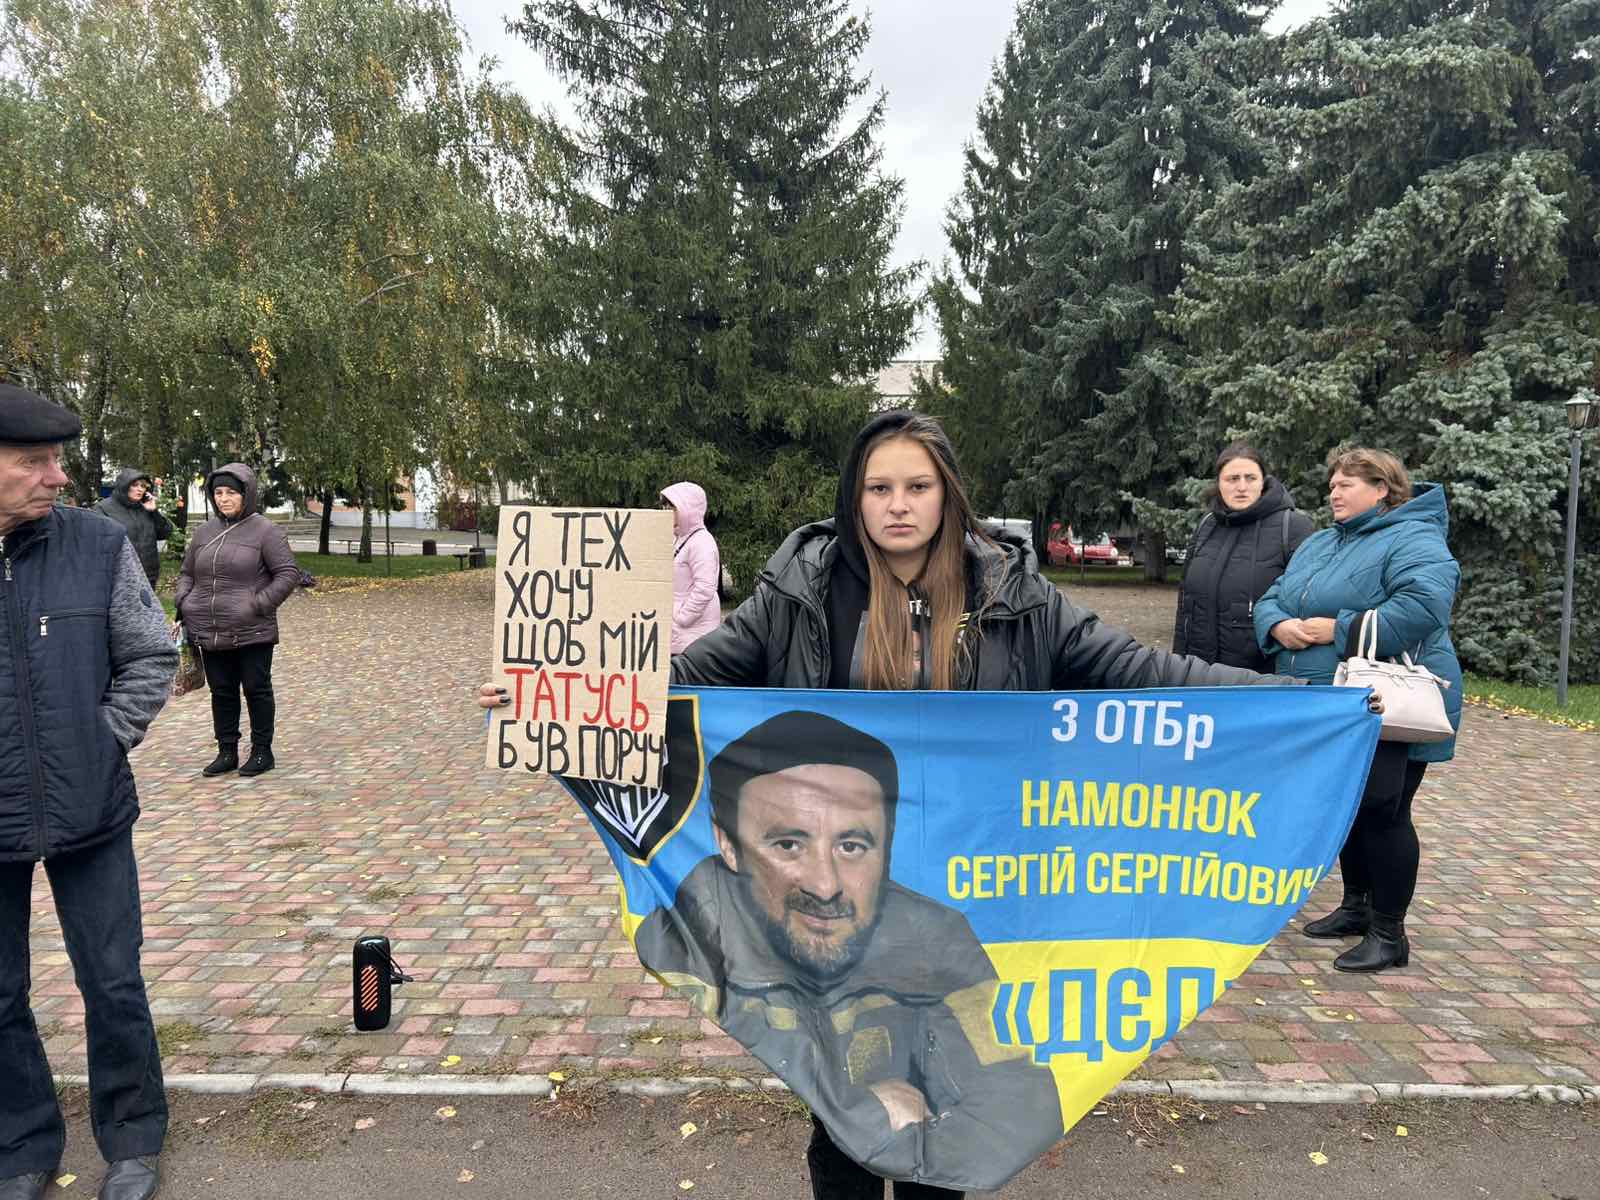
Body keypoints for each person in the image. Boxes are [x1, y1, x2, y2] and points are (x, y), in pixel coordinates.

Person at [480, 411, 1301, 1197]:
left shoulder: (1013, 591)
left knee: (944, 1119)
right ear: (855, 496)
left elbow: (1143, 673)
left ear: (947, 495)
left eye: (917, 487)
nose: (898, 505)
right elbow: (688, 680)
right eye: (879, 488)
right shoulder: (801, 587)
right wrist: (556, 694)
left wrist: (1298, 703)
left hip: (966, 890)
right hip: (828, 903)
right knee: (839, 1112)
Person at [632, 710, 1064, 1193]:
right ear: (726, 844)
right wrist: (866, 1111)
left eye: (853, 846)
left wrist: (932, 1133)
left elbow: (1019, 1095)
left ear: (888, 845)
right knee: (839, 1153)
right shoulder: (692, 929)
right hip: (846, 1129)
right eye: (788, 844)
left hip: (931, 1128)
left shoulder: (938, 937)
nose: (825, 886)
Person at [0, 385, 177, 1200]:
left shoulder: (98, 545)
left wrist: (103, 738)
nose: (58, 476)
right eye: (34, 461)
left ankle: (134, 1135)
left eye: (58, 459)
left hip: (91, 806)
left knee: (111, 979)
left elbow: (151, 654)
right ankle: (21, 1145)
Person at [1253, 447, 1462, 973]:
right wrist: (1278, 624)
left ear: (1382, 489)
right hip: (1330, 703)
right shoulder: (1322, 542)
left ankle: (1389, 934)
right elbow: (1274, 595)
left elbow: (1423, 606)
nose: (1334, 493)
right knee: (1349, 805)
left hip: (1387, 703)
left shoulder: (1414, 537)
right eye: (1332, 485)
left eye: (1346, 484)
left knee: (1384, 811)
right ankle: (1356, 906)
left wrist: (1339, 629)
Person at [173, 463, 299, 778]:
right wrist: (185, 600)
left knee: (256, 689)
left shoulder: (265, 531)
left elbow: (287, 574)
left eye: (231, 492)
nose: (224, 498)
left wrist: (257, 605)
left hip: (251, 628)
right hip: (210, 627)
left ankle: (262, 751)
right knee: (222, 691)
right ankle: (226, 751)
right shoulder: (204, 532)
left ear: (247, 494)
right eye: (218, 492)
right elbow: (187, 573)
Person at [1172, 442, 1314, 672]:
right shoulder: (1207, 525)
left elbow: (1308, 602)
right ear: (1219, 483)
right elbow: (1185, 606)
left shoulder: (1293, 527)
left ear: (1263, 481)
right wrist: (1178, 665)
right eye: (1232, 479)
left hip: (1260, 677)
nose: (1241, 487)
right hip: (1199, 673)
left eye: (1250, 478)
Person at [660, 481, 721, 653]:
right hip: (680, 634)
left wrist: (682, 618)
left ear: (687, 509)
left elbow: (705, 588)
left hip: (693, 636)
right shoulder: (679, 538)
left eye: (671, 507)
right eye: (664, 506)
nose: (665, 511)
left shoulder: (702, 542)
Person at [94, 469, 175, 588]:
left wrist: (154, 512)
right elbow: (96, 543)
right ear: (124, 485)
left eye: (143, 486)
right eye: (135, 485)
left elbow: (166, 533)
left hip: (148, 576)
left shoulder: (145, 508)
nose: (140, 489)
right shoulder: (103, 508)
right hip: (118, 577)